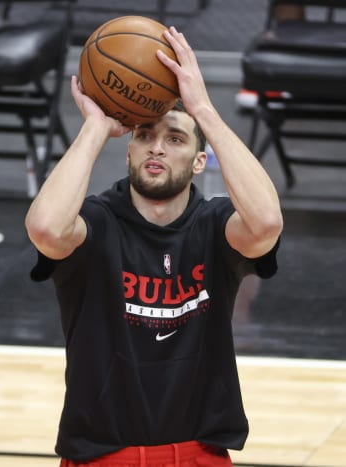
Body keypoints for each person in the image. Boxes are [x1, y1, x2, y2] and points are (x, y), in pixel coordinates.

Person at [25, 26, 283, 466]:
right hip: (103, 454)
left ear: (200, 161)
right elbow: (46, 230)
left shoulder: (214, 226)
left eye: (176, 139)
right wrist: (95, 127)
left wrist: (202, 107)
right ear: (128, 152)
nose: (156, 148)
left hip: (197, 452)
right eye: (144, 136)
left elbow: (265, 223)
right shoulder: (96, 222)